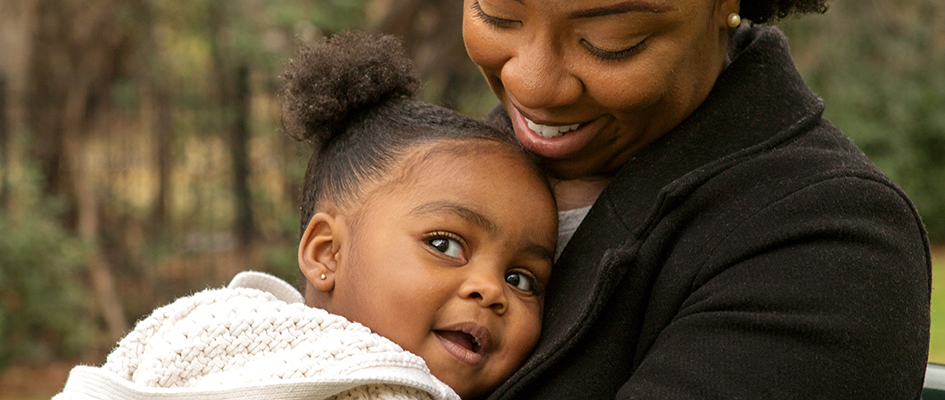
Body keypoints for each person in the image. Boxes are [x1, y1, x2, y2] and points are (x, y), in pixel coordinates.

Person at [461, 0, 932, 399]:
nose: (531, 83)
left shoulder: (832, 242)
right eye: (498, 14)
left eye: (612, 40)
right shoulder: (432, 164)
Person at [54, 31, 557, 400]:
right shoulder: (246, 346)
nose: (491, 291)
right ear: (326, 252)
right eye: (445, 244)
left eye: (522, 279)